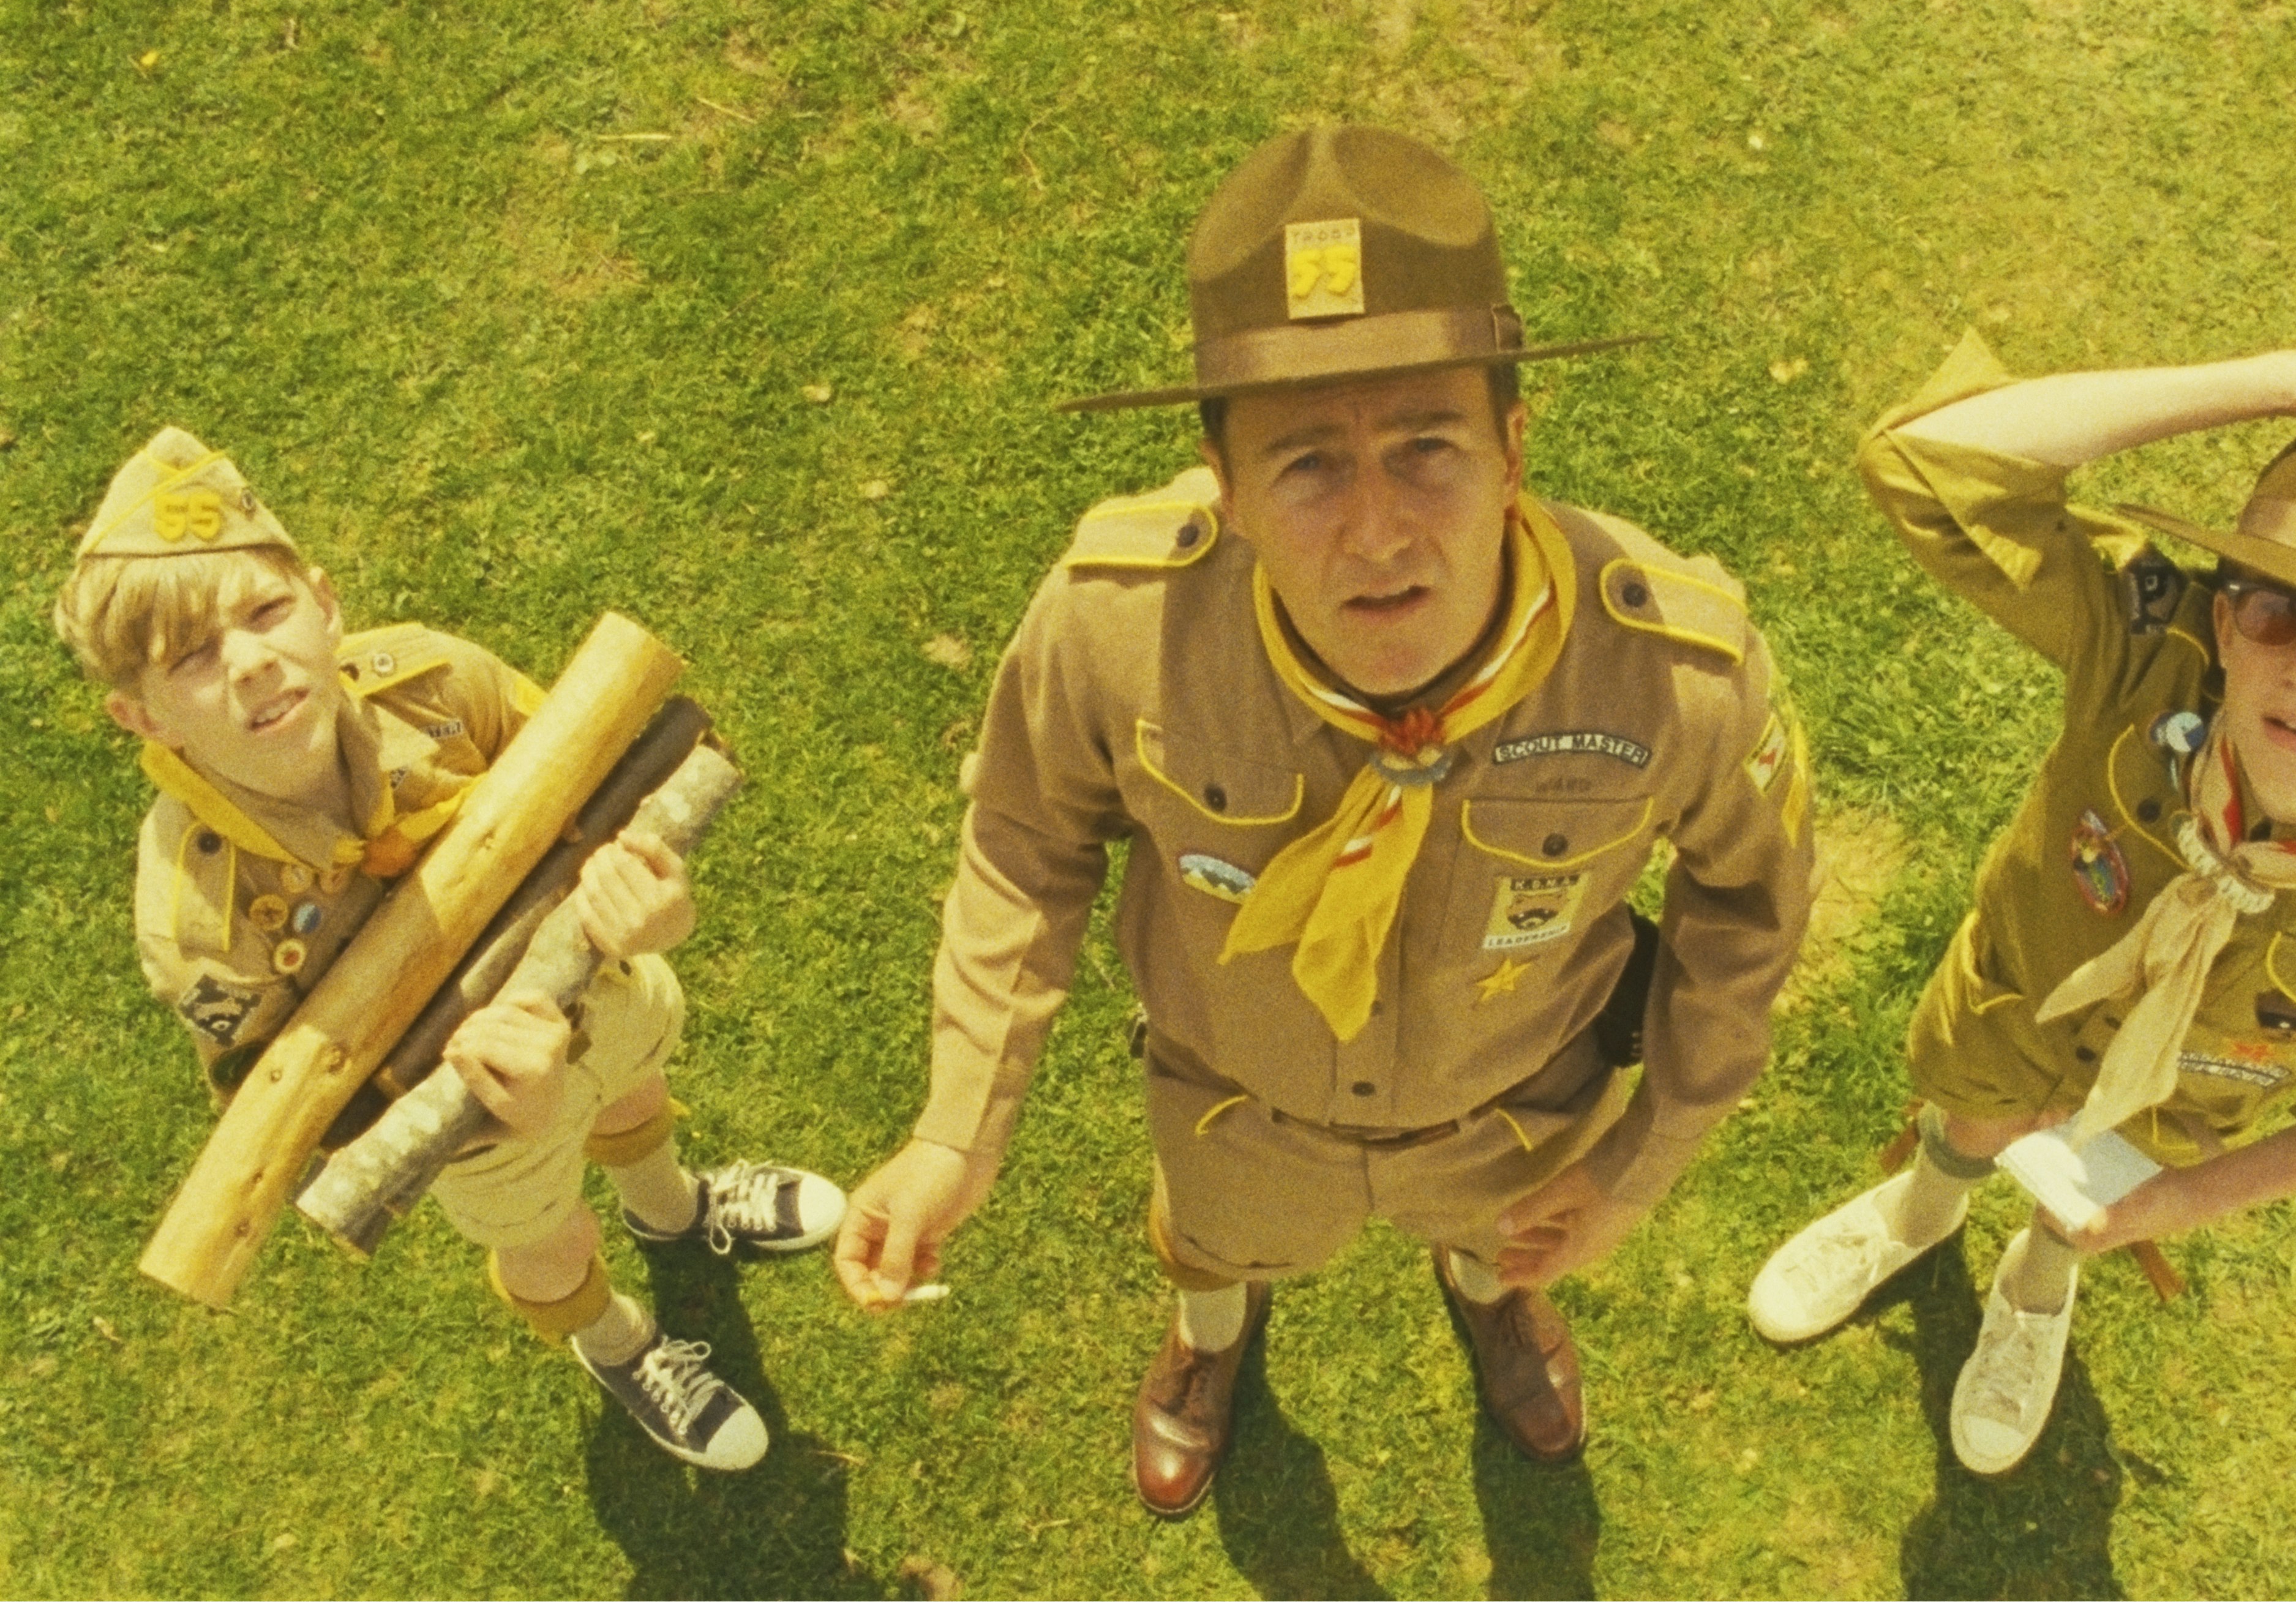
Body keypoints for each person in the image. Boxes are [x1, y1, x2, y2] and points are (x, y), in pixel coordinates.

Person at [833, 126, 1818, 1513]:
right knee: (1215, 1244)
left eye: (1428, 448)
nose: (1378, 533)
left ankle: (1493, 1295)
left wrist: (1638, 1162)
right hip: (1239, 1111)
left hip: (1514, 1109)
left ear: (1514, 446)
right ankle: (1206, 1336)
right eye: (1306, 465)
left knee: (1505, 1238)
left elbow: (1752, 910)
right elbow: (1024, 836)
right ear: (1224, 488)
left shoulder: (1675, 673)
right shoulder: (1116, 628)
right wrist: (957, 1129)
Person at [1746, 330, 2296, 1475]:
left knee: (2079, 1208)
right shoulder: (2150, 654)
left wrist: (2183, 1202)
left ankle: (2038, 1285)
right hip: (2008, 1010)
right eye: (2276, 609)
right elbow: (1924, 463)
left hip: (2165, 1122)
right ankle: (1918, 1213)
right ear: (2222, 620)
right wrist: (2279, 384)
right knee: (1965, 1117)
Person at [56, 428, 849, 1472]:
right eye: (192, 657)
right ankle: (616, 1342)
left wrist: (660, 912)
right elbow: (295, 1116)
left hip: (601, 984)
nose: (247, 660)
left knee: (634, 1092)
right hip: (475, 1119)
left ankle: (675, 1207)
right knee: (550, 1235)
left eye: (265, 611)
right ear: (140, 715)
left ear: (325, 602)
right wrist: (484, 1106)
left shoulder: (433, 685)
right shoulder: (199, 921)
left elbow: (606, 798)